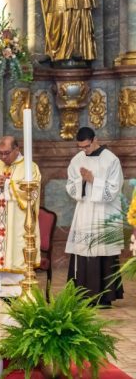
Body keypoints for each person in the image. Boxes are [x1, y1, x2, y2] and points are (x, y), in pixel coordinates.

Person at [66, 127, 124, 306]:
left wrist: (93, 180)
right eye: (81, 147)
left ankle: (105, 297)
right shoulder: (77, 159)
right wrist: (81, 181)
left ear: (95, 140)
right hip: (85, 211)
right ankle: (82, 295)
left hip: (104, 212)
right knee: (83, 250)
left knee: (104, 251)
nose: (85, 150)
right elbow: (70, 186)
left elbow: (114, 189)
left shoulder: (111, 159)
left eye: (87, 146)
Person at [0, 136, 41, 297]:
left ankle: (20, 293)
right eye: (0, 153)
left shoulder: (30, 167)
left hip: (18, 225)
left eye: (6, 153)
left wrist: (8, 184)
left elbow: (31, 193)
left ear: (17, 149)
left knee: (17, 255)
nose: (3, 157)